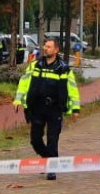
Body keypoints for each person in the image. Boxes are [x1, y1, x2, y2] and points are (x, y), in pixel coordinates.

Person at [12, 37, 79, 180]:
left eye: (49, 46)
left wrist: (75, 109)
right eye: (45, 46)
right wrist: (18, 100)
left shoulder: (63, 68)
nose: (45, 48)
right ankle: (46, 159)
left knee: (52, 139)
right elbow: (24, 82)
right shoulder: (35, 65)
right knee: (35, 140)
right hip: (37, 107)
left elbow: (72, 89)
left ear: (56, 50)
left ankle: (51, 168)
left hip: (55, 108)